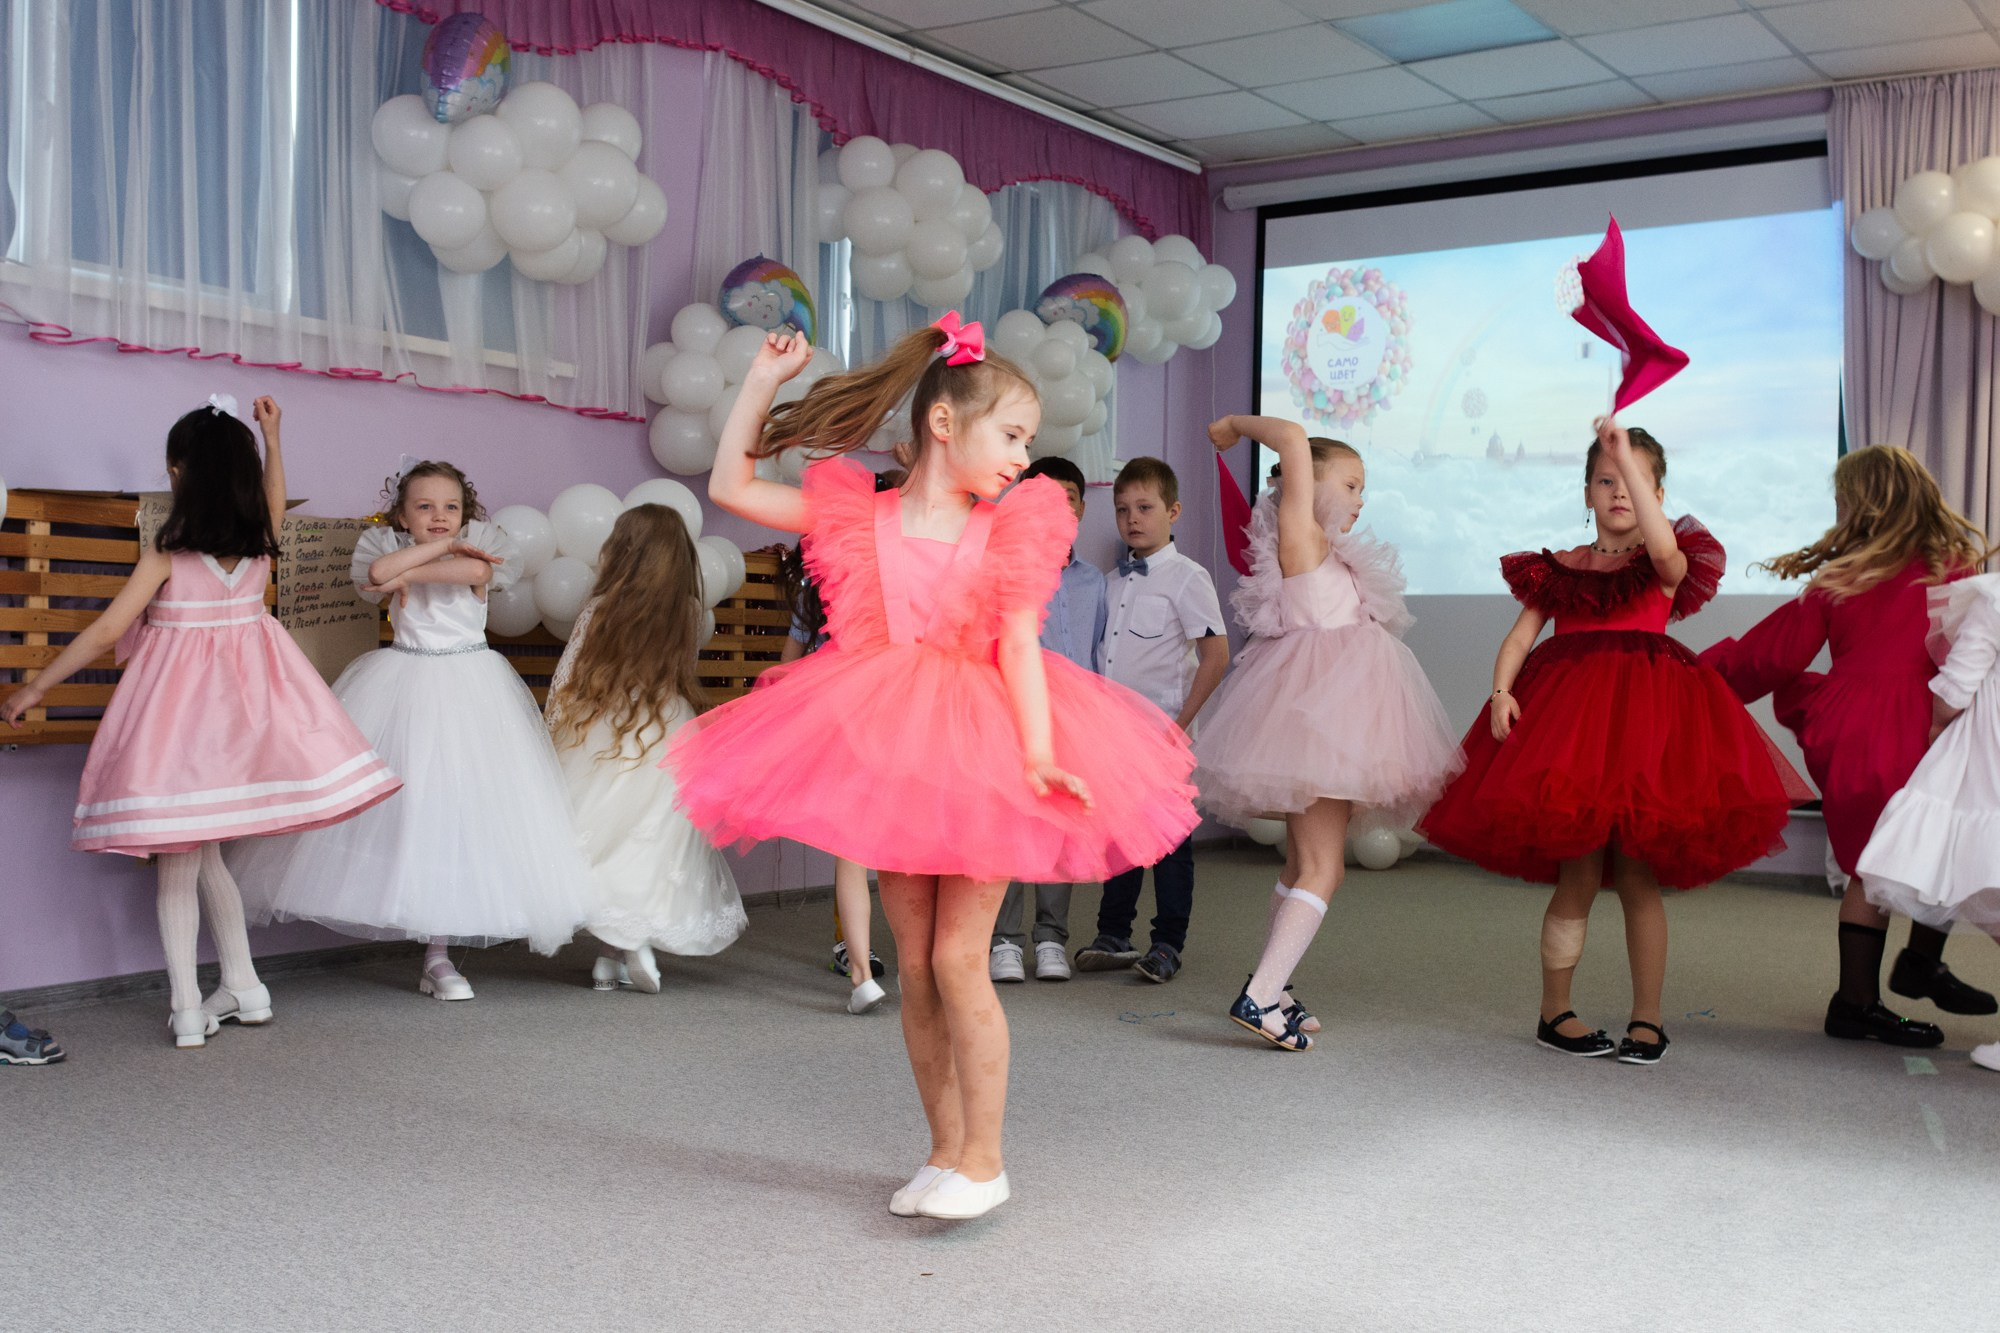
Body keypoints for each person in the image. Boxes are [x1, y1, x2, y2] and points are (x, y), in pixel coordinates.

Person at [668, 316, 1197, 1220]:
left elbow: (1023, 648)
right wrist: (761, 377)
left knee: (960, 955)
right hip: (892, 744)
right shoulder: (853, 513)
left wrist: (1037, 751)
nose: (1025, 460)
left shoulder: (1012, 529)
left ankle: (986, 1160)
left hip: (986, 744)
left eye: (1030, 441)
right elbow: (729, 483)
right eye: (1012, 435)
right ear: (945, 425)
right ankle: (945, 1150)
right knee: (913, 961)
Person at [0, 395, 399, 1047]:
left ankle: (187, 1005)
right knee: (206, 850)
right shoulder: (261, 543)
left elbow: (107, 630)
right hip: (243, 730)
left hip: (177, 732)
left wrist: (35, 686)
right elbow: (276, 496)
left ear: (180, 474)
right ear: (240, 476)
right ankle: (245, 984)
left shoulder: (170, 550)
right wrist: (274, 437)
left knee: (178, 863)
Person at [1420, 420, 1806, 1066]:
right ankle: (1554, 1011)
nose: (1619, 491)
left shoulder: (1660, 564)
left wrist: (1624, 453)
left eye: (1634, 483)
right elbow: (1521, 637)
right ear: (1587, 492)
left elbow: (1667, 553)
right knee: (1577, 871)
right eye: (1606, 480)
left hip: (1646, 726)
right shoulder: (1561, 567)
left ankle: (1648, 1017)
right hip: (1570, 727)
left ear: (1657, 494)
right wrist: (1500, 690)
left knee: (1637, 874)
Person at [231, 460, 593, 999]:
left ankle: (439, 955)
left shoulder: (482, 551)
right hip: (403, 683)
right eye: (424, 507)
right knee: (411, 812)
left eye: (451, 508)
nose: (440, 517)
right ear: (402, 515)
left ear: (465, 513)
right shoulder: (389, 549)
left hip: (471, 689)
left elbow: (473, 575)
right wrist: (427, 557)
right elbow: (378, 576)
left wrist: (412, 570)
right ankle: (434, 956)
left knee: (456, 812)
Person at [1702, 447, 1993, 1045]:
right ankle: (1866, 995)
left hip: (1853, 729)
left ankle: (1879, 987)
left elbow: (1771, 656)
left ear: (1862, 505)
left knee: (1880, 861)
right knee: (1931, 843)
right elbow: (1972, 660)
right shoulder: (1953, 567)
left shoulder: (1840, 579)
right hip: (1916, 724)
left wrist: (1700, 672)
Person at [1198, 416, 1461, 1050]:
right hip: (1319, 715)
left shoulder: (1331, 552)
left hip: (1325, 714)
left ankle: (1275, 986)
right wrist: (1235, 425)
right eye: (1350, 483)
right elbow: (1290, 437)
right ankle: (1261, 995)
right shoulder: (1303, 536)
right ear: (1301, 486)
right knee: (1325, 868)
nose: (1361, 498)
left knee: (1301, 864)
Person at [546, 504, 746, 994]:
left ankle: (619, 950)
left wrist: (552, 732)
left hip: (606, 731)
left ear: (623, 551)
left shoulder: (601, 608)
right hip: (669, 729)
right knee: (651, 843)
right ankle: (613, 956)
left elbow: (568, 677)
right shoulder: (685, 612)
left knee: (602, 836)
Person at [1075, 456, 1229, 983]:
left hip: (1162, 729)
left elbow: (1216, 655)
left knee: (1167, 843)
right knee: (1117, 835)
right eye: (1122, 510)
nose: (1132, 519)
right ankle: (1113, 932)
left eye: (1144, 507)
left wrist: (1179, 726)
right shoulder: (1112, 583)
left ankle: (1167, 942)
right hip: (1112, 734)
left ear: (1174, 511)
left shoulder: (1187, 579)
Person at [989, 456, 1105, 985]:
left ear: (1082, 509)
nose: (1059, 509)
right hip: (1015, 711)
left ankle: (1051, 937)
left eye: (1069, 498)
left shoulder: (1093, 582)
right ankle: (1004, 940)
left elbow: (1100, 650)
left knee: (1061, 828)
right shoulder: (1005, 569)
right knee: (1011, 824)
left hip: (1076, 718)